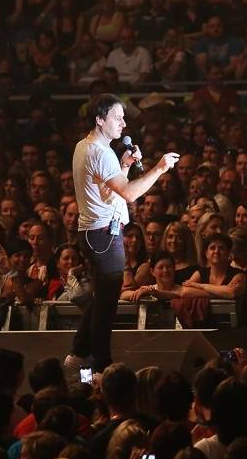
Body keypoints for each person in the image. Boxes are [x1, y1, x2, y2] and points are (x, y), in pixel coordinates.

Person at [65, 94, 180, 374]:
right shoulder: (100, 152)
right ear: (100, 119)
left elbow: (108, 189)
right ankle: (101, 365)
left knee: (102, 297)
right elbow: (128, 194)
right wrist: (160, 168)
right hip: (103, 234)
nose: (123, 123)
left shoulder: (88, 146)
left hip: (96, 232)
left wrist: (125, 165)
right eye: (117, 117)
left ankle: (78, 354)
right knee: (106, 305)